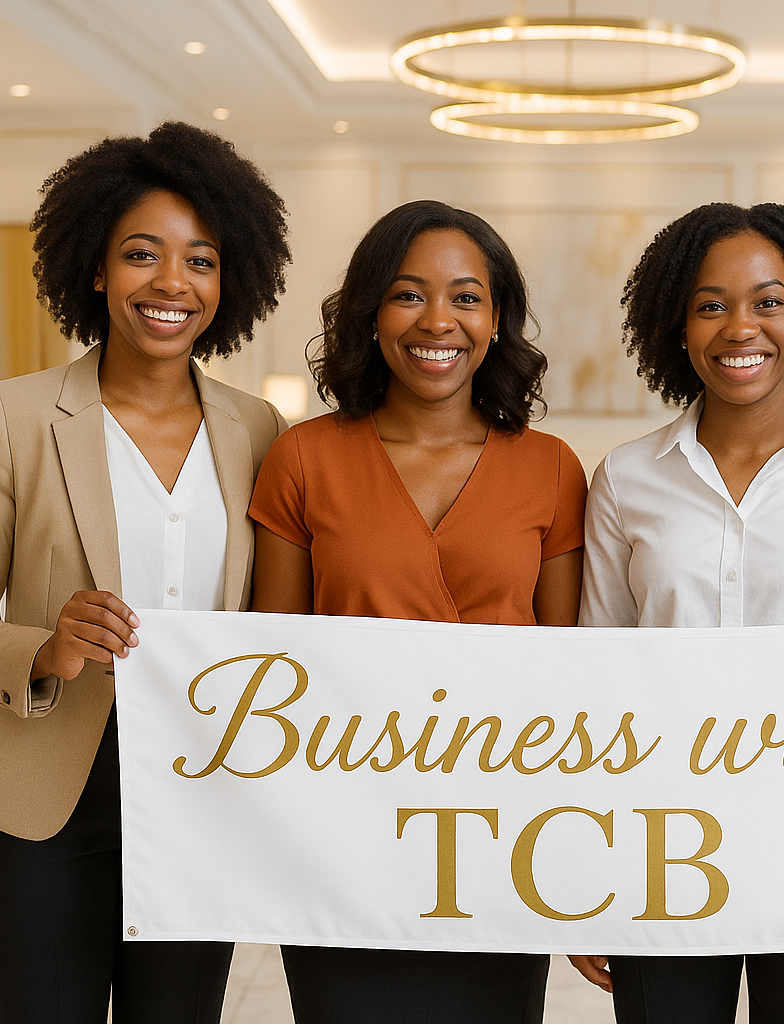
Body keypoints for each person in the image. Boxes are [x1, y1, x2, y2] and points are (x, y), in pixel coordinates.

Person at [0, 122, 292, 1023]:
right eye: (141, 254)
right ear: (94, 268)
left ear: (228, 282)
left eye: (201, 261)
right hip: (42, 806)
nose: (172, 283)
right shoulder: (12, 416)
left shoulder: (261, 431)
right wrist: (43, 649)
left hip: (201, 798)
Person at [569, 202, 784, 1024]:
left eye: (769, 302)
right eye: (711, 305)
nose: (741, 328)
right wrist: (589, 877)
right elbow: (598, 681)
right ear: (678, 327)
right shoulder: (625, 478)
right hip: (661, 847)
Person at [247, 199, 587, 1024]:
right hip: (341, 831)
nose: (439, 320)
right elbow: (270, 663)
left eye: (467, 297)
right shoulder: (302, 458)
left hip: (501, 832)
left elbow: (568, 674)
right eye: (408, 294)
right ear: (370, 313)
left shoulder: (551, 468)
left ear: (498, 320)